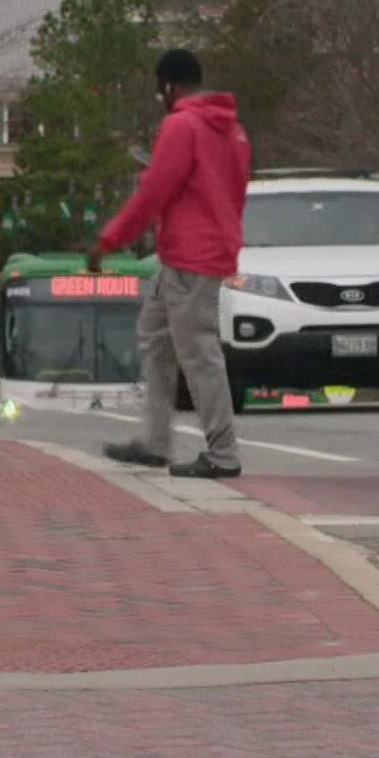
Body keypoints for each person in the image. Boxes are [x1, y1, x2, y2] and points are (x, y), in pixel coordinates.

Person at [93, 49, 251, 479]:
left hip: (190, 258)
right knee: (156, 337)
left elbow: (153, 191)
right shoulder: (232, 130)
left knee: (198, 352)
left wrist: (108, 239)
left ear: (169, 86)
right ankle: (156, 442)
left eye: (160, 89)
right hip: (201, 252)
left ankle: (222, 453)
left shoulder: (182, 125)